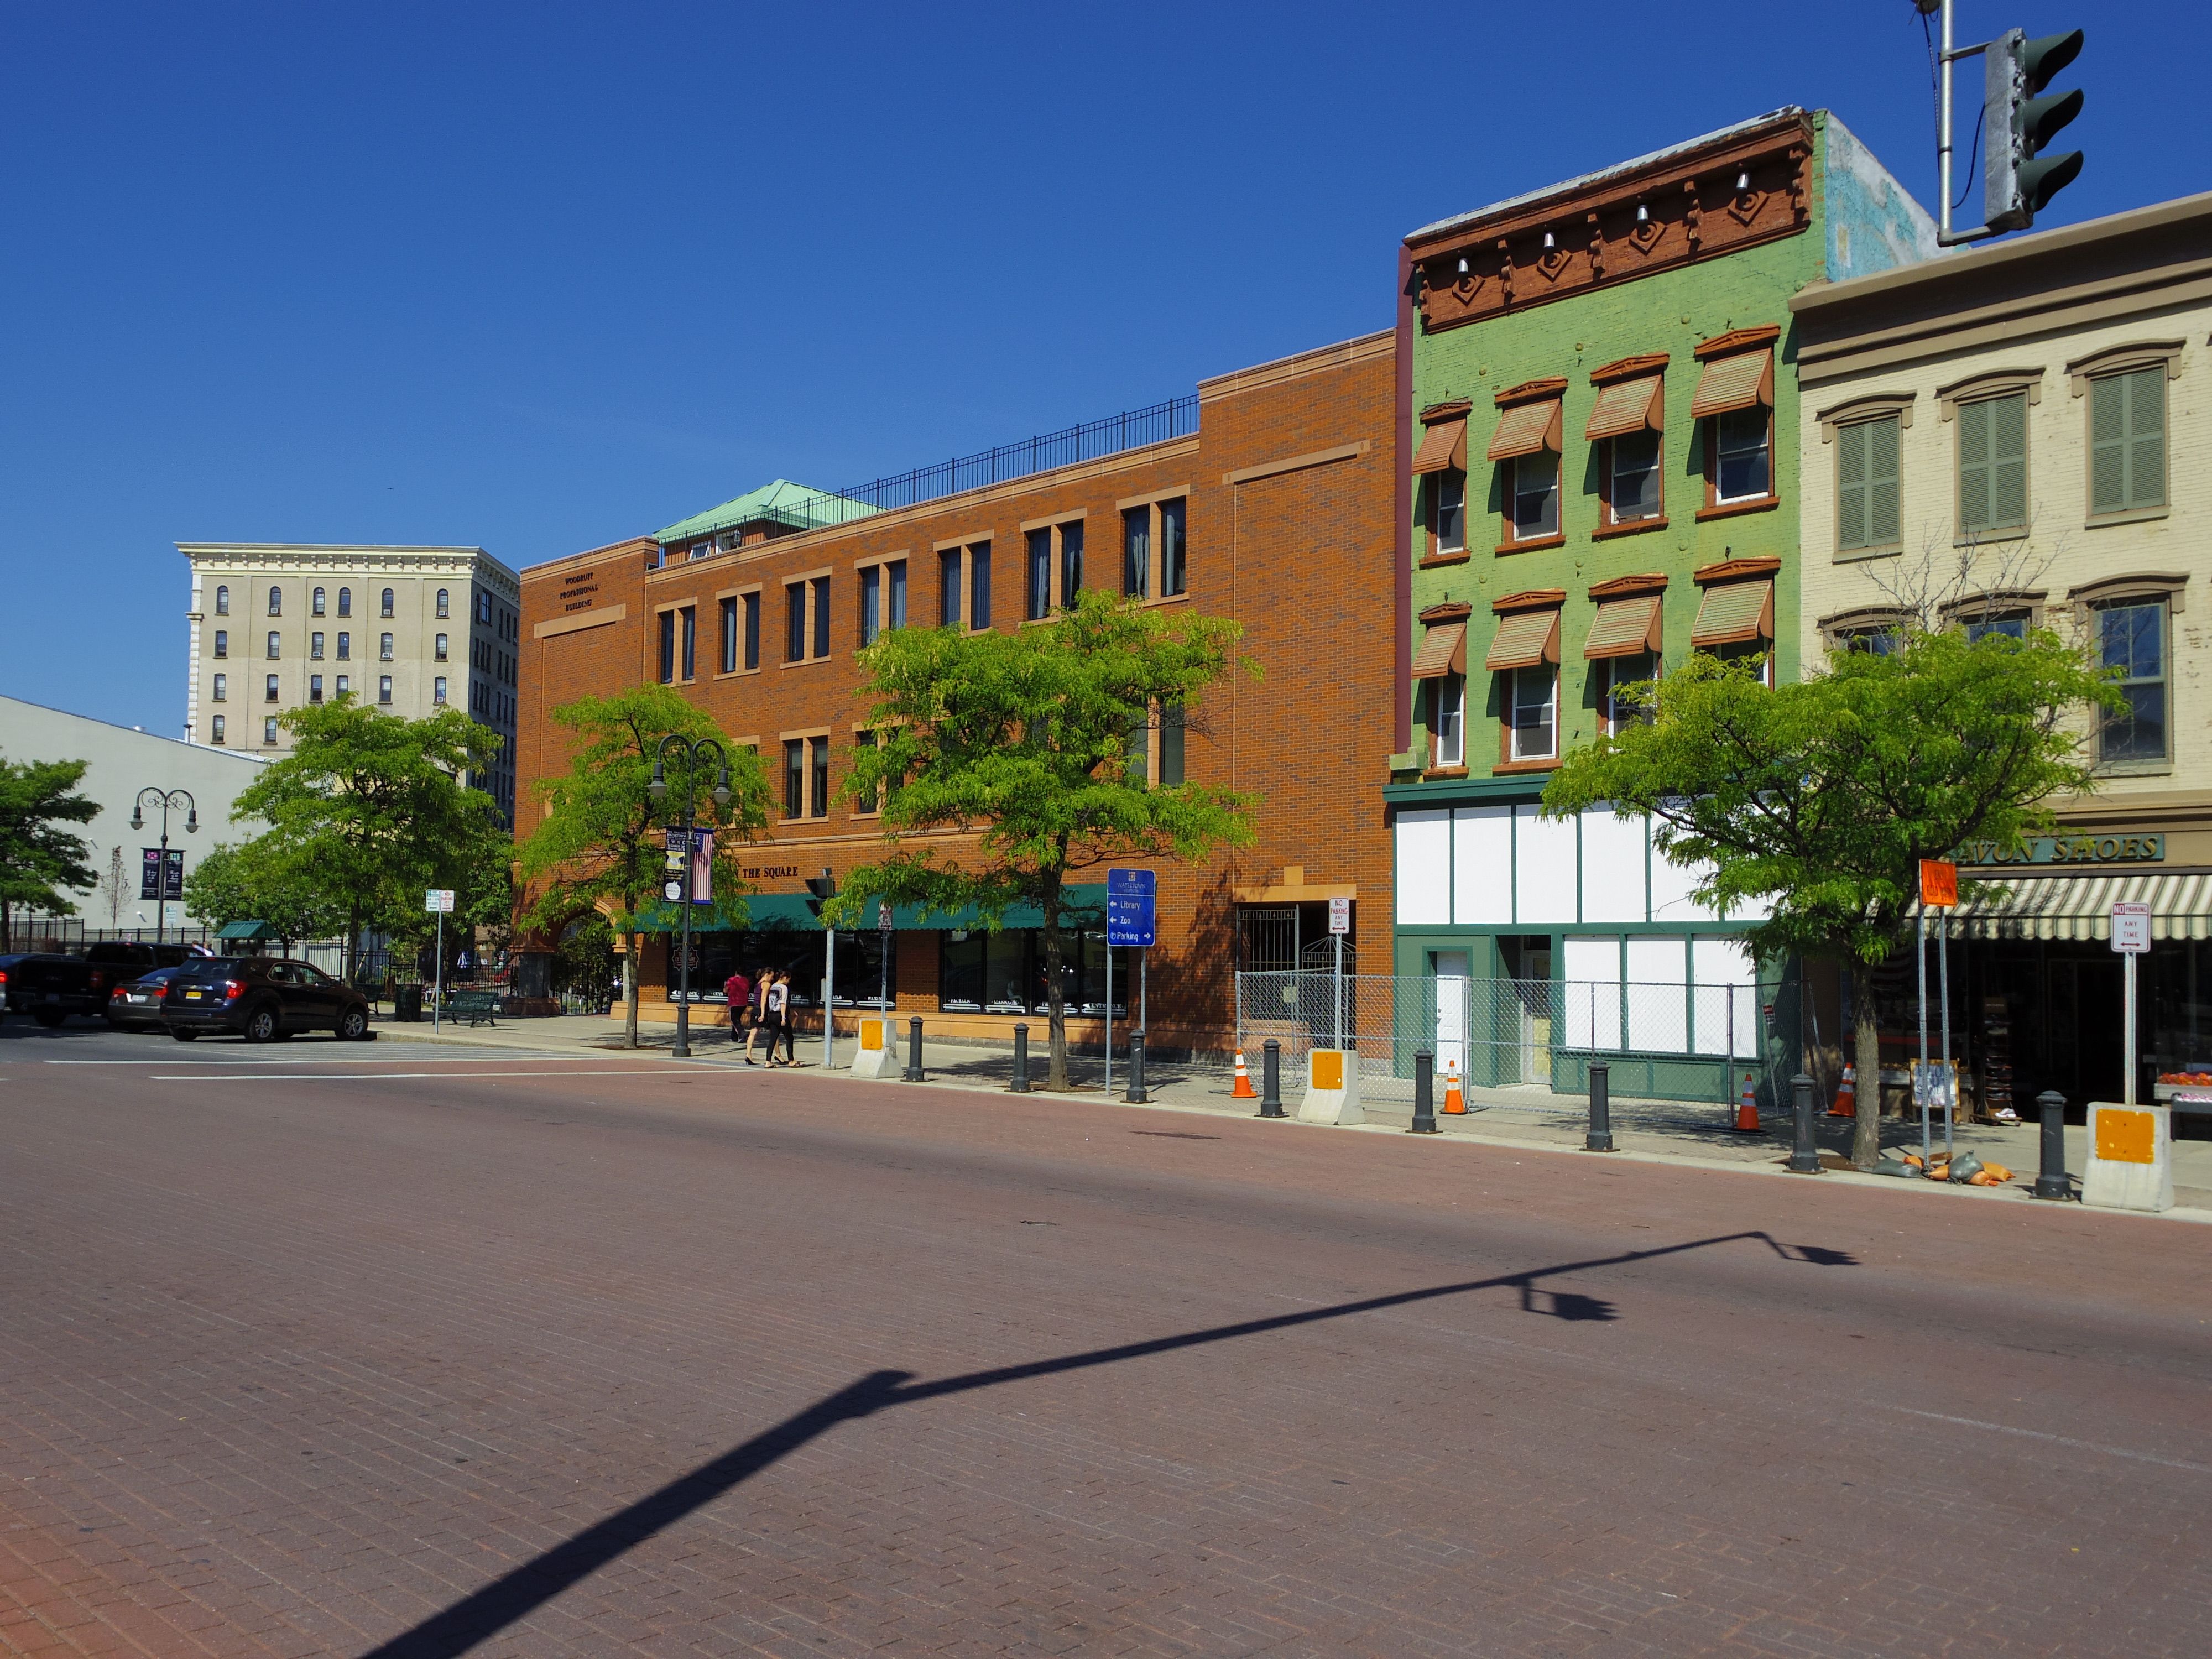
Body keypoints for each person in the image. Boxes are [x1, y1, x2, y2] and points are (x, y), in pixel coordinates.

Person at [761, 971, 791, 1067]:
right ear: (785, 978)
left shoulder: (773, 986)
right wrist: (783, 1018)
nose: (788, 982)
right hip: (779, 1014)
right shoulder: (784, 988)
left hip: (771, 1014)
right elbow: (783, 1003)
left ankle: (768, 1061)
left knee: (773, 1038)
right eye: (788, 980)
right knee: (789, 1038)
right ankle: (791, 1060)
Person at [723, 965, 752, 1047]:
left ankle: (742, 1034)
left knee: (734, 1020)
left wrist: (725, 985)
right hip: (743, 1003)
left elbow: (726, 990)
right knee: (737, 1019)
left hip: (734, 1003)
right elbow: (747, 990)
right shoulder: (746, 980)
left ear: (736, 972)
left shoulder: (732, 980)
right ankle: (734, 1036)